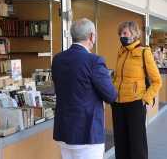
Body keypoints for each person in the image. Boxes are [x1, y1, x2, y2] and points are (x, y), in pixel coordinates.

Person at [52, 18, 117, 159]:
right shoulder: (94, 61)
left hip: (63, 129)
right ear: (91, 36)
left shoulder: (57, 59)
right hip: (87, 131)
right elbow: (111, 96)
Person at [111, 21, 162, 159]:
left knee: (137, 144)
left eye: (125, 33)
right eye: (120, 34)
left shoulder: (143, 52)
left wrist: (144, 100)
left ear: (133, 35)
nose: (122, 36)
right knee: (121, 144)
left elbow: (157, 81)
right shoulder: (121, 51)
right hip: (117, 104)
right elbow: (116, 77)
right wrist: (111, 94)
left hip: (135, 104)